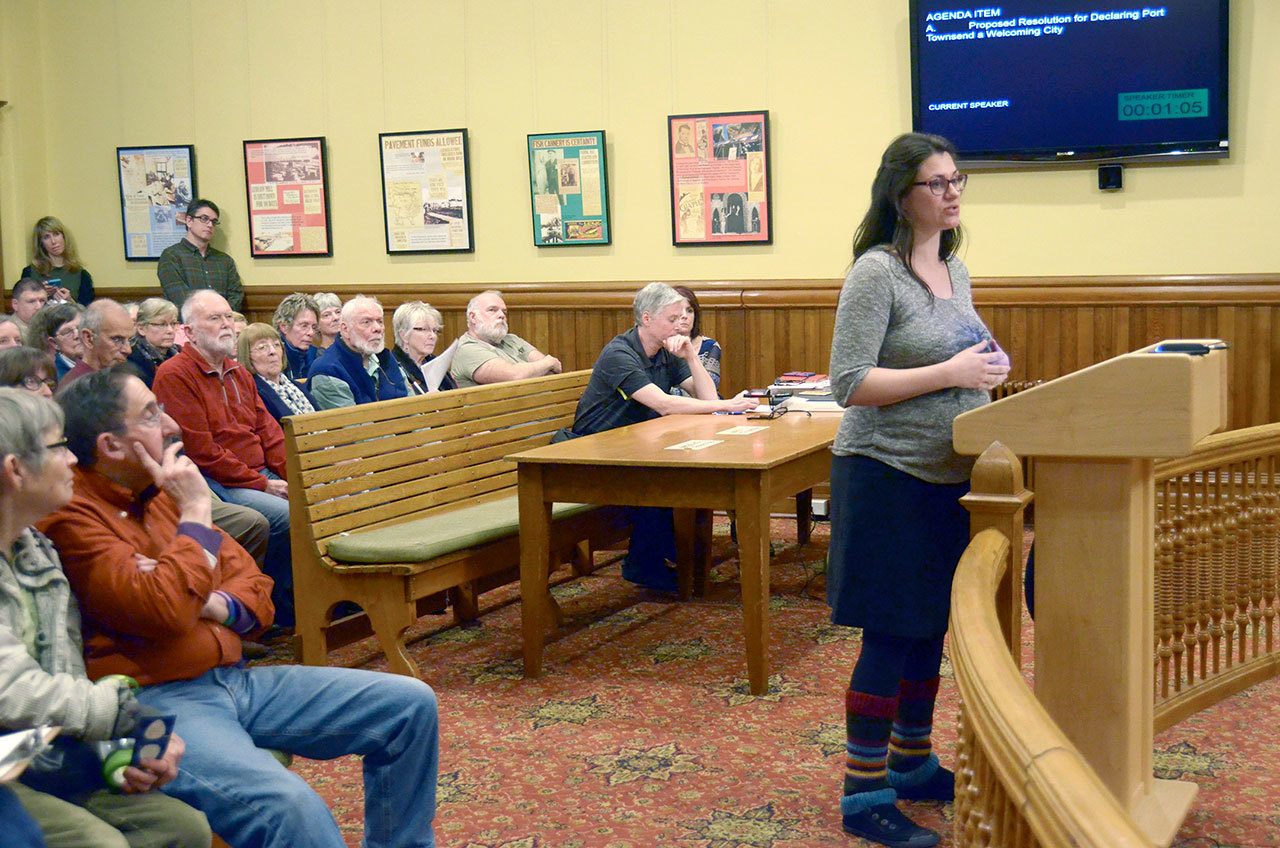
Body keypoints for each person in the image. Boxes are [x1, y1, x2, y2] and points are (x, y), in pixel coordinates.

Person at [41, 370, 439, 848]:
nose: (170, 423)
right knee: (290, 808)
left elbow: (257, 587)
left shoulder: (158, 489)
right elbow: (162, 610)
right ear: (111, 445)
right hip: (160, 702)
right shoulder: (72, 514)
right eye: (150, 414)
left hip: (234, 678)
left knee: (409, 706)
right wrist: (196, 514)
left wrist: (207, 600)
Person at [826, 132, 1008, 848]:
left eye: (958, 179)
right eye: (937, 183)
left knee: (928, 628)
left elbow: (970, 348)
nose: (953, 192)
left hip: (946, 476)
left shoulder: (953, 268)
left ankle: (911, 761)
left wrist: (991, 362)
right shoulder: (877, 273)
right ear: (902, 195)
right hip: (885, 475)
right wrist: (953, 374)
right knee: (890, 631)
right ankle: (862, 794)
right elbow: (851, 384)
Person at [0, 388, 210, 848]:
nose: (73, 460)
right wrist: (125, 719)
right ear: (15, 469)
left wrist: (113, 750)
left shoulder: (36, 551)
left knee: (181, 829)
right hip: (8, 766)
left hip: (36, 750)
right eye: (58, 448)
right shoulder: (70, 529)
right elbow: (11, 692)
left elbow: (61, 674)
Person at [565, 282, 754, 591]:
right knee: (661, 481)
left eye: (683, 316)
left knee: (678, 473)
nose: (680, 324)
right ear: (647, 318)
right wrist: (728, 405)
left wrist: (691, 355)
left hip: (633, 447)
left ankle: (667, 556)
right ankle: (645, 564)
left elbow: (706, 396)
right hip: (590, 450)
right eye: (672, 318)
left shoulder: (666, 350)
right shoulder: (620, 353)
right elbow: (664, 404)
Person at [152, 291, 293, 627]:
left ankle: (309, 600)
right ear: (188, 332)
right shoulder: (175, 374)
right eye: (214, 319)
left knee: (315, 501)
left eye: (228, 317)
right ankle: (277, 608)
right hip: (216, 479)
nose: (227, 325)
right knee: (286, 516)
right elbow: (202, 450)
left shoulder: (237, 371)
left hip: (258, 473)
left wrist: (296, 475)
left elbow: (268, 431)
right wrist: (264, 484)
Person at [307, 295, 408, 409]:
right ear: (345, 329)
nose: (377, 328)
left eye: (380, 321)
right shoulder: (327, 371)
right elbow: (355, 425)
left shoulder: (386, 359)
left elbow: (413, 408)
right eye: (366, 322)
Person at [449, 290, 561, 389]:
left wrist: (543, 366)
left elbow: (553, 371)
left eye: (504, 312)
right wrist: (549, 361)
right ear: (473, 317)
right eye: (492, 310)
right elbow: (514, 376)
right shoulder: (468, 350)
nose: (501, 315)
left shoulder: (512, 339)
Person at [156, 199, 243, 312]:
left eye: (214, 221)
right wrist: (210, 318)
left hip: (223, 324)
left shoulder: (224, 260)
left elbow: (236, 295)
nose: (210, 225)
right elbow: (180, 299)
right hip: (189, 325)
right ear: (189, 221)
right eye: (204, 219)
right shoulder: (171, 256)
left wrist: (222, 318)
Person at [238, 323, 315, 423]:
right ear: (248, 356)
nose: (272, 351)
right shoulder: (253, 394)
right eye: (262, 347)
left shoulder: (296, 386)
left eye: (276, 345)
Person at [60, 300, 133, 389]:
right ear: (88, 339)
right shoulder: (74, 390)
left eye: (130, 340)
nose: (128, 350)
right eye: (117, 339)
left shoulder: (118, 379)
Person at [22, 216, 95, 306]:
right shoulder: (30, 273)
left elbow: (87, 315)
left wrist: (70, 301)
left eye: (56, 234)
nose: (53, 241)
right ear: (41, 244)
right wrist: (41, 296)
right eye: (46, 237)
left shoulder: (81, 275)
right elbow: (23, 309)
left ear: (64, 237)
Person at [390, 301, 455, 394]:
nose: (433, 336)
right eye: (424, 329)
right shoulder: (392, 368)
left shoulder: (434, 362)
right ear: (404, 335)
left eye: (435, 330)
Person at [669, 286, 721, 396]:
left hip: (706, 406)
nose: (684, 316)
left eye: (689, 311)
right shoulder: (660, 346)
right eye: (678, 311)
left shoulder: (710, 346)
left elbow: (710, 390)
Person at [126, 299, 180, 388]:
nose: (170, 330)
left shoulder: (180, 352)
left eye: (173, 323)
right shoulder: (130, 360)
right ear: (141, 329)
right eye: (161, 324)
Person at [23, 302, 83, 380]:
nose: (77, 335)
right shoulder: (54, 377)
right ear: (54, 343)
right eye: (67, 332)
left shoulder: (101, 362)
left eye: (81, 327)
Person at [272, 293, 319, 384]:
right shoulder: (273, 359)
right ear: (284, 326)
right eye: (304, 326)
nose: (311, 333)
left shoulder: (316, 355)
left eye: (314, 327)